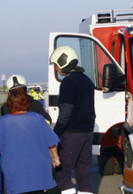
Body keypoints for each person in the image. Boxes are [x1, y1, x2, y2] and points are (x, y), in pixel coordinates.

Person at [0, 86, 60, 194]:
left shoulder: (3, 122)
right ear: (26, 101)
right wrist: (56, 158)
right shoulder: (38, 118)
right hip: (38, 171)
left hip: (15, 172)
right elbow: (51, 142)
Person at [49, 46, 95, 194]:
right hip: (88, 133)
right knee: (83, 173)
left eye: (56, 65)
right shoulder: (87, 80)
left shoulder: (68, 82)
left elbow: (65, 112)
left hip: (71, 134)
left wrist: (56, 133)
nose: (56, 69)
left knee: (62, 173)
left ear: (63, 62)